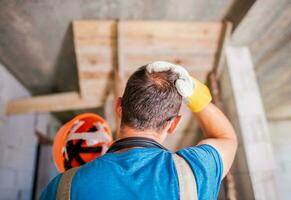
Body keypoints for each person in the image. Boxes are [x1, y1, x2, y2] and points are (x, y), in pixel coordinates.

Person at [41, 61, 237, 200]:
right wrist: (195, 94)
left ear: (118, 107)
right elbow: (226, 138)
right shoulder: (196, 172)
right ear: (174, 124)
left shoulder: (61, 188)